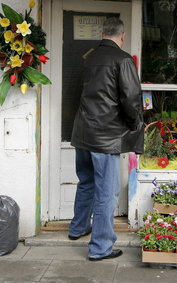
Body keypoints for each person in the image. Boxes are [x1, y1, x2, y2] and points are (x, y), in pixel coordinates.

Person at [69, 17, 144, 261]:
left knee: (86, 182)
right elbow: (131, 99)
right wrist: (135, 124)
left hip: (83, 133)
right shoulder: (122, 59)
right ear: (122, 36)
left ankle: (78, 228)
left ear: (102, 33)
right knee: (106, 192)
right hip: (105, 137)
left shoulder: (88, 57)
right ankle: (100, 247)